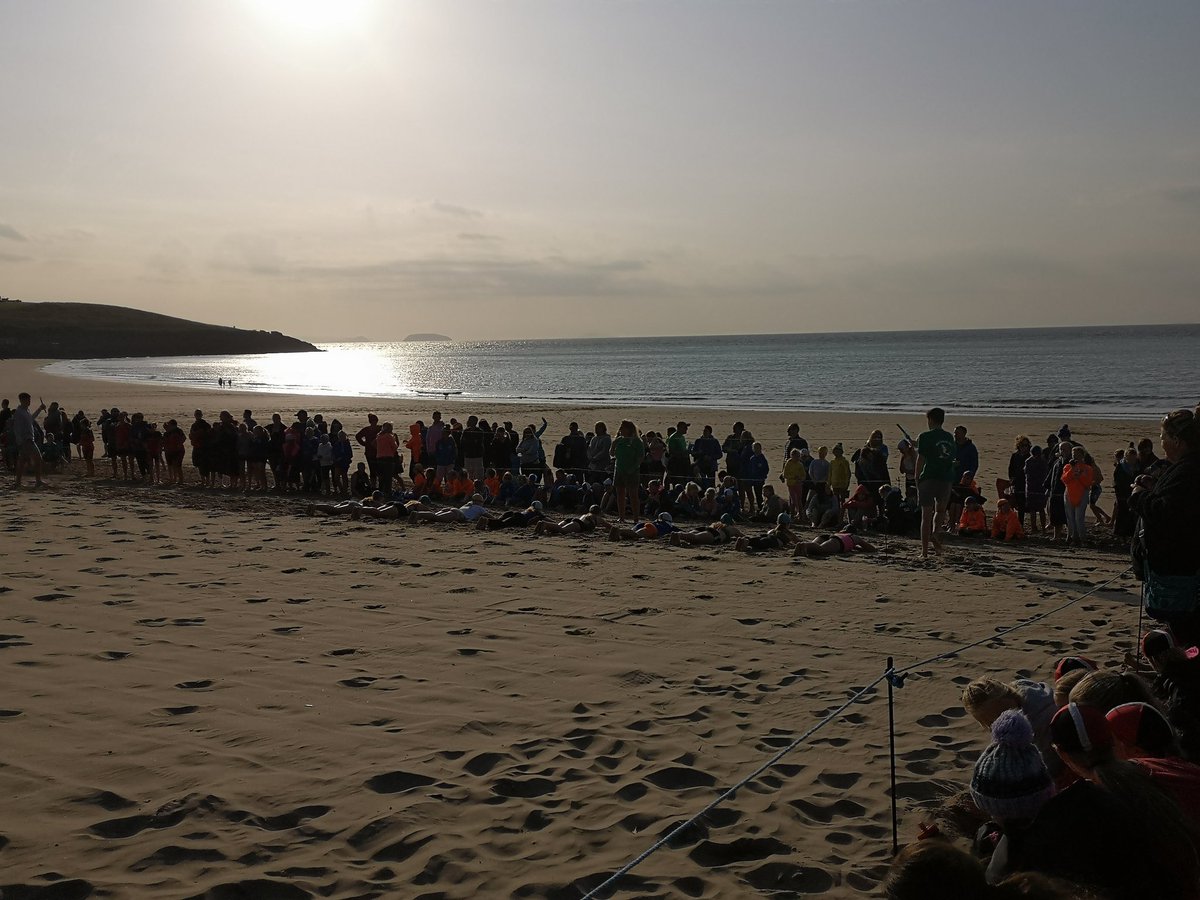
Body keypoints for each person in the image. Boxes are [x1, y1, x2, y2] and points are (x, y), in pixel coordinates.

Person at [1130, 408, 1200, 645]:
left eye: (1163, 437)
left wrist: (1139, 496)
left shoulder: (1189, 468)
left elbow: (1167, 512)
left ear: (1177, 441)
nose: (1161, 443)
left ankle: (1186, 672)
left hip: (1180, 573)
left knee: (1185, 631)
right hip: (1178, 570)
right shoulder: (1184, 467)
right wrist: (1154, 487)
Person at [915, 407, 956, 559]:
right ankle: (936, 537)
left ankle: (924, 551)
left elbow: (921, 459)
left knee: (926, 515)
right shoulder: (949, 437)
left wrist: (917, 477)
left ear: (930, 420)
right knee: (940, 511)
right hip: (946, 477)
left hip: (930, 477)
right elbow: (951, 457)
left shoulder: (925, 436)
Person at [611, 420, 645, 522]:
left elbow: (640, 457)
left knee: (633, 495)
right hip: (619, 469)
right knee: (620, 494)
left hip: (632, 471)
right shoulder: (618, 440)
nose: (621, 429)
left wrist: (633, 468)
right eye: (620, 427)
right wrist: (613, 445)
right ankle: (621, 517)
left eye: (623, 427)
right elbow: (612, 454)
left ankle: (636, 518)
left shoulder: (637, 442)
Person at [1061, 445, 1094, 547]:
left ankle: (1082, 538)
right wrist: (1072, 469)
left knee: (1079, 518)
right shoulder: (1067, 467)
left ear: (1082, 456)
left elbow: (1088, 483)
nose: (1075, 457)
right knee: (1070, 517)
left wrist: (1080, 475)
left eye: (1077, 455)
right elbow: (1064, 479)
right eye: (1073, 455)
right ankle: (1073, 537)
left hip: (1082, 494)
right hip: (1069, 493)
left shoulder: (1088, 468)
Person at [11, 393, 47, 488]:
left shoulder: (25, 411)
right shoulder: (19, 412)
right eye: (28, 400)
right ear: (22, 400)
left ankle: (18, 482)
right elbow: (17, 427)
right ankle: (37, 481)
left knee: (23, 461)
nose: (29, 402)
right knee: (37, 459)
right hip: (26, 440)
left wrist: (39, 409)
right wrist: (20, 440)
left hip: (29, 439)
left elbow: (31, 420)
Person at [668, 514, 744, 547]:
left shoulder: (715, 524)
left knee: (692, 537)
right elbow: (743, 537)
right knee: (695, 538)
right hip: (715, 534)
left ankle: (679, 535)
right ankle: (678, 535)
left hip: (706, 528)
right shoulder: (732, 528)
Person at [734, 513, 799, 552]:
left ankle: (745, 540)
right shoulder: (788, 533)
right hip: (774, 541)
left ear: (777, 522)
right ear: (787, 524)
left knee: (757, 539)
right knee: (761, 544)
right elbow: (797, 541)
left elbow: (768, 534)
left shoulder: (773, 530)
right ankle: (746, 541)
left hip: (767, 536)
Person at [1023, 445, 1049, 536]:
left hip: (1031, 488)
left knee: (1033, 509)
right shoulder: (1043, 462)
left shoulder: (1028, 461)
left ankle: (1034, 528)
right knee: (1040, 509)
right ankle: (1042, 529)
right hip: (1040, 488)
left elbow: (1026, 473)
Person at [533, 505, 608, 536]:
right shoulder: (598, 518)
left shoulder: (586, 515)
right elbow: (609, 527)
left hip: (574, 520)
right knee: (563, 530)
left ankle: (544, 526)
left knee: (557, 528)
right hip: (579, 524)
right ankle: (544, 524)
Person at [791, 532, 876, 558]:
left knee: (814, 548)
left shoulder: (841, 533)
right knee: (822, 550)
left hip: (826, 536)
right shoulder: (855, 537)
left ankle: (805, 546)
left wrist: (857, 548)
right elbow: (871, 548)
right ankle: (803, 545)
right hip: (838, 542)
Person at [608, 511, 677, 541]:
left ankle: (619, 531)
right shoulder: (669, 526)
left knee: (632, 532)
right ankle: (618, 531)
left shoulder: (656, 522)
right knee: (636, 535)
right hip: (653, 529)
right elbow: (679, 532)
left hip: (644, 524)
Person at [374, 422, 400, 496]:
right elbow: (395, 447)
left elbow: (376, 445)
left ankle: (380, 492)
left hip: (379, 458)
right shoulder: (389, 436)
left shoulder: (379, 436)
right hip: (388, 458)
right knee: (388, 477)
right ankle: (387, 493)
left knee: (381, 477)